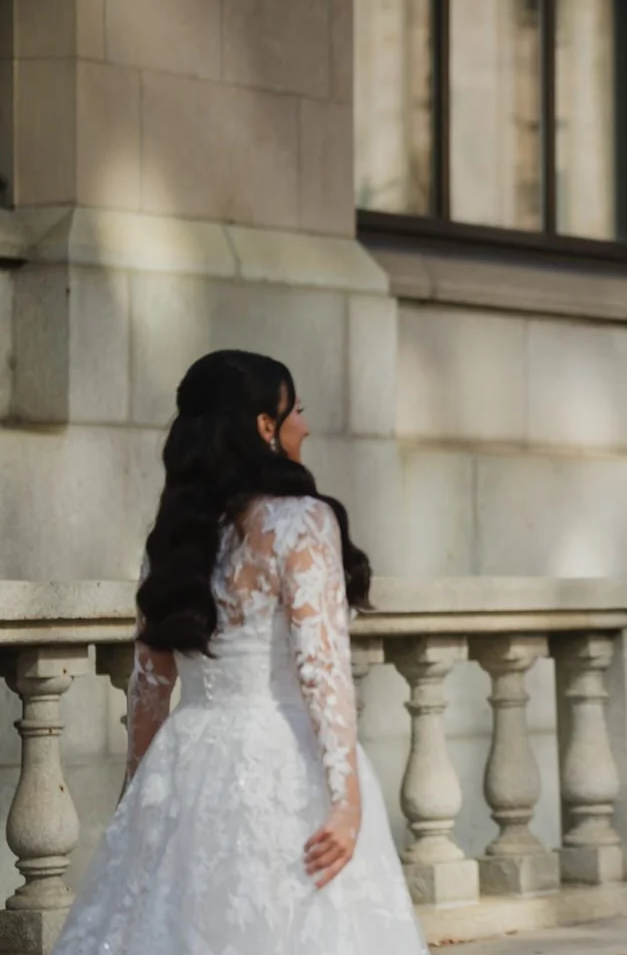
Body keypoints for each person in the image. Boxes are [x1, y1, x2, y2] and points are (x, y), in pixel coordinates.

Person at [52, 350, 429, 954]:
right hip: (286, 761)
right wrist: (346, 798)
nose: (305, 424)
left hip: (187, 761)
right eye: (296, 410)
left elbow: (148, 689)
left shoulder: (174, 539)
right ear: (264, 427)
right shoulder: (300, 521)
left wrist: (139, 794)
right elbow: (321, 669)